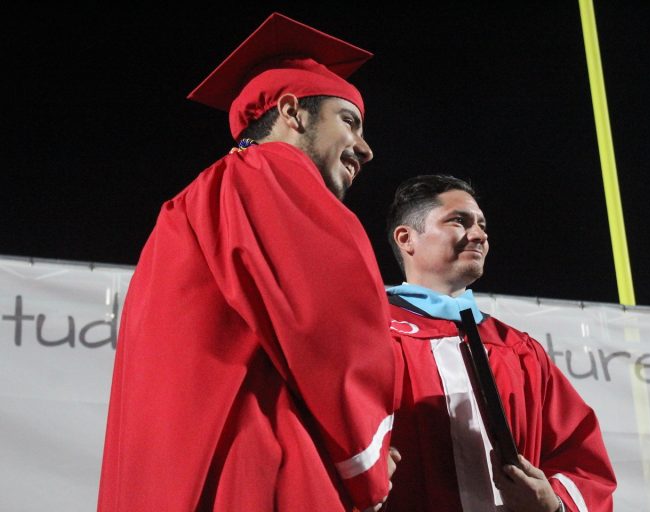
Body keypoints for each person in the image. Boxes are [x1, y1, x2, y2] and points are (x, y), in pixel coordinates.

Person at [97, 13, 399, 512]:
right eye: (349, 121)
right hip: (258, 467)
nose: (365, 149)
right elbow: (330, 325)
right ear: (292, 111)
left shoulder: (190, 205)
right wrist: (368, 454)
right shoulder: (271, 176)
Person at [383, 174, 616, 511]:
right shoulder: (369, 335)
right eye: (458, 221)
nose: (478, 234)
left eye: (481, 224)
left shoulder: (518, 351)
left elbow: (580, 458)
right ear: (407, 239)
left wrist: (554, 504)